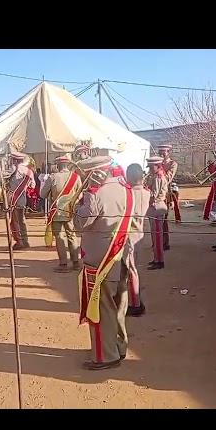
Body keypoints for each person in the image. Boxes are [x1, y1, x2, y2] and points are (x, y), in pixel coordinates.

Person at [74, 155, 135, 370]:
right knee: (117, 306)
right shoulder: (125, 189)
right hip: (120, 255)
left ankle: (104, 355)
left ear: (94, 173)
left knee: (100, 308)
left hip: (100, 259)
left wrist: (84, 200)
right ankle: (118, 346)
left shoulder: (96, 194)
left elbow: (82, 223)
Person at [41, 155, 82, 272]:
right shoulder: (76, 177)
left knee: (59, 237)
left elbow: (42, 194)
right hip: (70, 211)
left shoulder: (52, 177)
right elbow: (80, 195)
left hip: (56, 212)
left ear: (58, 165)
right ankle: (75, 262)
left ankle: (63, 264)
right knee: (72, 235)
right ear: (68, 165)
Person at [125, 163, 150, 317]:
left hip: (130, 234)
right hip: (139, 232)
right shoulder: (146, 192)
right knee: (132, 268)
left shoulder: (129, 193)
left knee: (131, 270)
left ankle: (135, 303)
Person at [7, 152, 36, 250]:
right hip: (22, 198)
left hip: (14, 198)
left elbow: (4, 178)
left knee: (15, 222)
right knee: (22, 221)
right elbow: (33, 186)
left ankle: (19, 241)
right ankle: (25, 240)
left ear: (15, 160)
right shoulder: (29, 171)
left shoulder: (13, 169)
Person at [144, 155, 168, 270]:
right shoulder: (154, 175)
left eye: (151, 167)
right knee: (154, 235)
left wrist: (145, 190)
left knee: (157, 236)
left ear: (157, 166)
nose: (149, 169)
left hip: (157, 207)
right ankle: (156, 258)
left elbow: (154, 195)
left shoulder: (159, 177)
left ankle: (160, 261)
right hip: (154, 208)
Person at [158, 145, 179, 249]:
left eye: (164, 151)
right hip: (156, 194)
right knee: (156, 219)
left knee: (163, 219)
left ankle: (165, 242)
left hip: (166, 194)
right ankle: (158, 241)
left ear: (168, 152)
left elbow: (168, 178)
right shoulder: (157, 163)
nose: (161, 153)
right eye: (160, 151)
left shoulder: (173, 164)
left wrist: (159, 171)